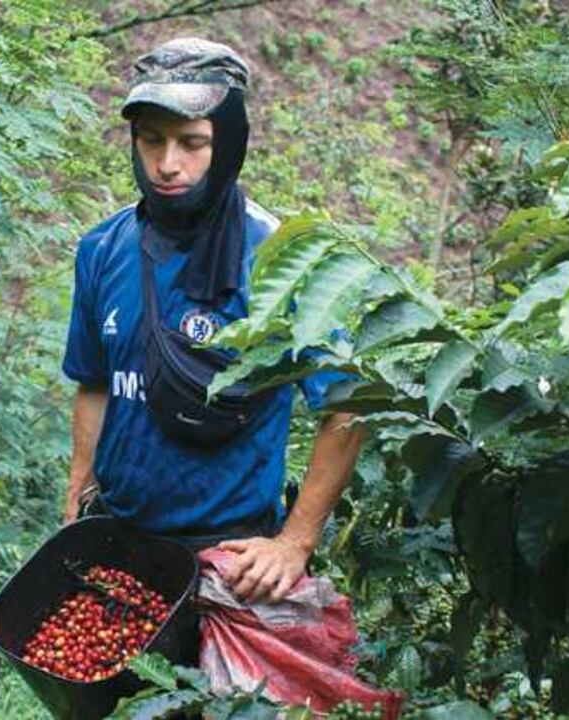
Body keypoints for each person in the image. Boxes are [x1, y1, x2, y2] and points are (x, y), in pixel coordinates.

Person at [61, 37, 362, 605]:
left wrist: (295, 541)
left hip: (231, 561)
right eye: (151, 140)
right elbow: (95, 382)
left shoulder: (279, 259)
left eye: (192, 143)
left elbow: (347, 403)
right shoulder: (102, 249)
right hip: (119, 547)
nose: (167, 164)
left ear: (228, 144)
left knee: (213, 699)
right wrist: (80, 486)